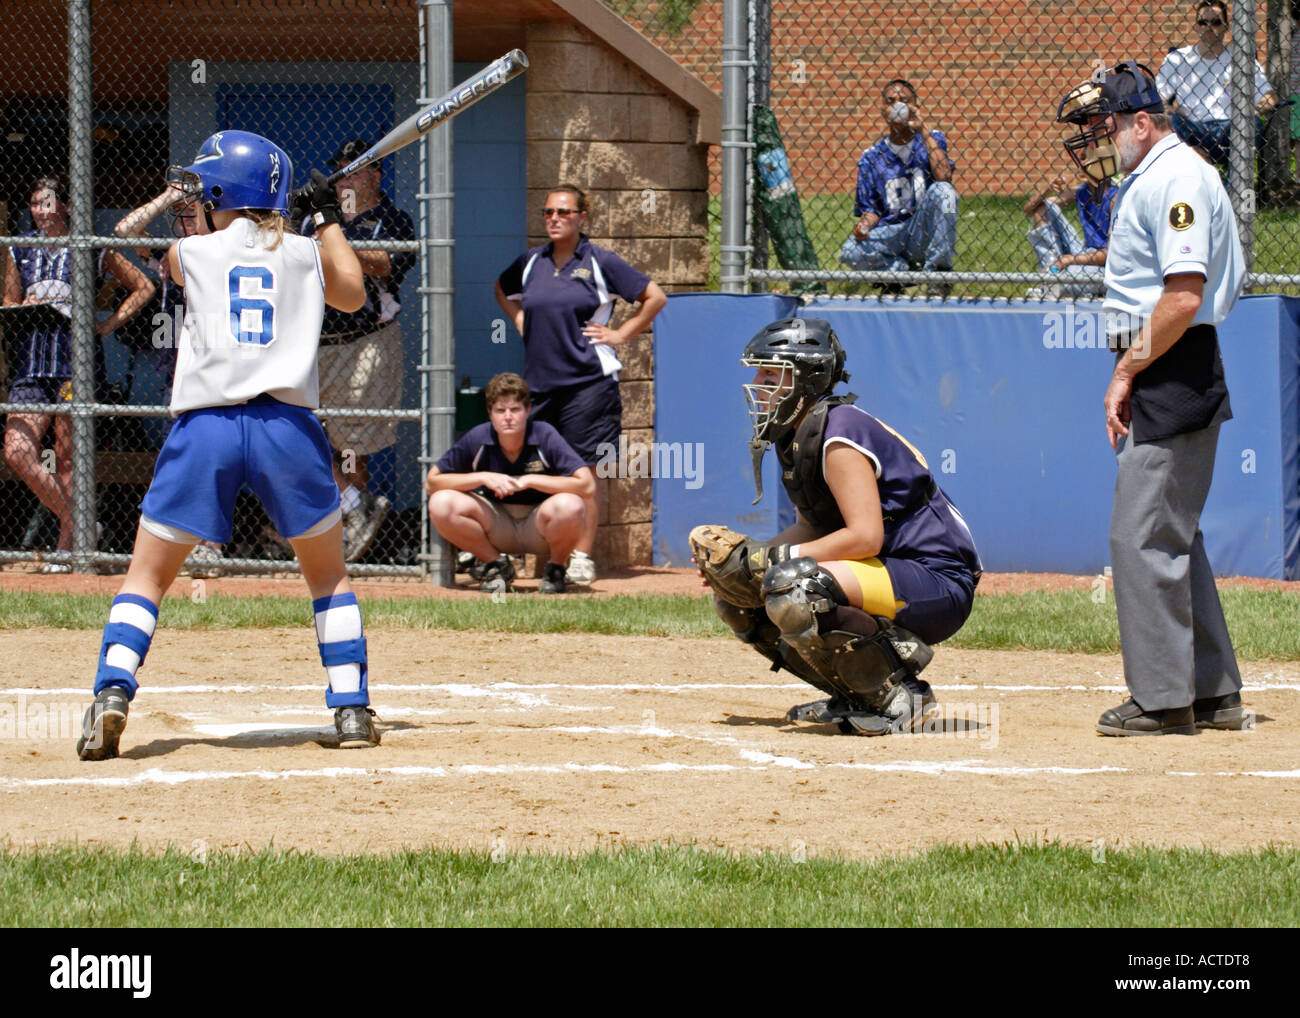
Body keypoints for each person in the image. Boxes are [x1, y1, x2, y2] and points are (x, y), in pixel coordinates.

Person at [74, 130, 380, 760]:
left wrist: (266, 216)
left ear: (220, 195)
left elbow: (188, 243)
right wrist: (323, 220)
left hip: (204, 429)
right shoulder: (304, 251)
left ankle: (111, 693)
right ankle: (350, 709)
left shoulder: (190, 251)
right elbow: (353, 292)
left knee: (148, 576)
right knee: (326, 576)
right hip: (286, 430)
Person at [1057, 62, 1251, 736]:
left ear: (1144, 121)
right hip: (1167, 361)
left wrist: (1124, 373)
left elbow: (1183, 296)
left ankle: (1165, 701)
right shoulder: (1155, 175)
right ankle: (1213, 690)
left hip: (1175, 364)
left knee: (1139, 537)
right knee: (1173, 535)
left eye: (1106, 125)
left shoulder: (1175, 177)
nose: (1098, 139)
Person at [692, 318, 982, 736]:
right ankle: (855, 694)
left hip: (935, 581)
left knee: (794, 587)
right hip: (885, 572)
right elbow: (811, 529)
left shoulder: (839, 430)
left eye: (771, 374)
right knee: (739, 599)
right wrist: (746, 565)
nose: (756, 384)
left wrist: (772, 561)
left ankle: (901, 696)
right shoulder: (799, 434)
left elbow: (866, 537)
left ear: (806, 381)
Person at [495, 184, 666, 586]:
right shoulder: (530, 262)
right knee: (534, 465)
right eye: (549, 212)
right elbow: (503, 290)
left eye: (564, 213)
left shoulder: (600, 261)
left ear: (581, 218)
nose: (555, 219)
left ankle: (581, 556)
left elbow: (654, 297)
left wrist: (622, 334)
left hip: (588, 384)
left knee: (583, 472)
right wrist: (522, 324)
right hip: (538, 386)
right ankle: (537, 554)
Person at [3, 174, 154, 571]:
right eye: (35, 204)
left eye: (49, 203)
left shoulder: (92, 247)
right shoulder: (19, 249)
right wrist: (24, 305)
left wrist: (107, 324)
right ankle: (81, 522)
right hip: (33, 363)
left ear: (66, 205)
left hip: (76, 364)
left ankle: (68, 548)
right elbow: (8, 301)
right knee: (18, 452)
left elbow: (143, 287)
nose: (42, 211)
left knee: (67, 458)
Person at [300, 139, 415, 562]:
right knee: (295, 429)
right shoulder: (315, 218)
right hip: (311, 342)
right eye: (341, 170)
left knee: (351, 443)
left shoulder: (392, 219)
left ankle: (353, 538)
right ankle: (349, 509)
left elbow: (387, 263)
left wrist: (332, 242)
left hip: (363, 342)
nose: (344, 178)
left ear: (374, 176)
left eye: (354, 171)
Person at [114, 179, 227, 577]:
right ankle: (183, 545)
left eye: (195, 212)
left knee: (211, 460)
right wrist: (168, 196)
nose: (186, 219)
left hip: (213, 369)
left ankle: (210, 546)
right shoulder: (171, 254)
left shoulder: (220, 250)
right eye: (182, 213)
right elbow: (125, 231)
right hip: (175, 371)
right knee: (177, 461)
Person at [427, 372, 593, 595]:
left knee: (572, 505)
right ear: (490, 414)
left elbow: (587, 485)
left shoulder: (544, 434)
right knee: (441, 502)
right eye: (500, 411)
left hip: (539, 525)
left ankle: (556, 568)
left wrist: (530, 481)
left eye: (515, 410)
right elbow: (432, 482)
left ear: (527, 411)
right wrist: (483, 477)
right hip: (497, 523)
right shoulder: (479, 438)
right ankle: (497, 565)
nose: (508, 417)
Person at [837, 78, 958, 292]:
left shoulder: (932, 139)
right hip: (891, 233)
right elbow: (871, 211)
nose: (897, 106)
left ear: (915, 107)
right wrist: (864, 225)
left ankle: (938, 274)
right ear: (883, 109)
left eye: (904, 101)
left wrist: (922, 128)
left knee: (945, 192)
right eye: (891, 101)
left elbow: (944, 177)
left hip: (922, 230)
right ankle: (898, 273)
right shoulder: (871, 157)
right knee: (850, 251)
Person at [1155, 1, 1278, 168]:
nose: (1209, 27)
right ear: (1196, 27)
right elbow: (1157, 98)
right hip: (1192, 128)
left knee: (1252, 123)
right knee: (1172, 122)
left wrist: (1251, 112)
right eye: (1203, 23)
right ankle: (1196, 171)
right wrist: (1170, 110)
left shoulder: (1241, 59)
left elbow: (1269, 98)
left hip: (1231, 127)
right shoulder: (1178, 59)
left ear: (1226, 27)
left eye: (1216, 22)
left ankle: (1234, 189)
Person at [1022, 171, 1117, 298]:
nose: (1079, 166)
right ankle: (1051, 277)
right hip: (1086, 251)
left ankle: (1055, 283)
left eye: (1085, 158)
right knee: (1042, 208)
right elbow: (1029, 209)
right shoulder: (1082, 191)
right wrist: (1047, 189)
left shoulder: (1115, 198)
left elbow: (1111, 255)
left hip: (1105, 265)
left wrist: (1068, 260)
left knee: (1073, 273)